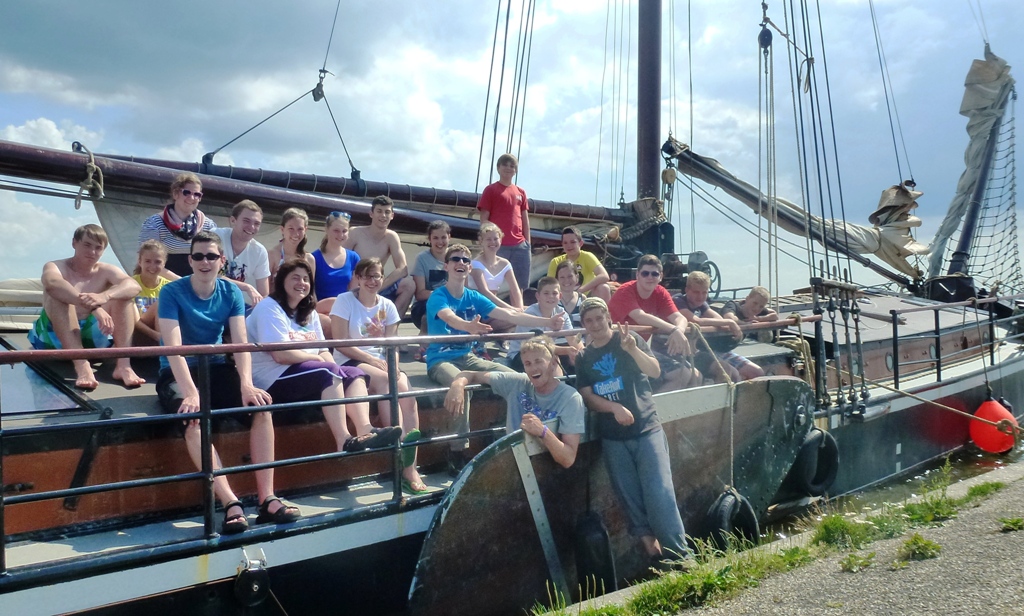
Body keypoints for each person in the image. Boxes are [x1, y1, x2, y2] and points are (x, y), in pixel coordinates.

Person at [156, 231, 293, 534]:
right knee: (193, 419)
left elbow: (240, 343)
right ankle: (231, 502)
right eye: (198, 256)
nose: (205, 262)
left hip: (217, 367)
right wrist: (190, 392)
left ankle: (267, 498)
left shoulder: (230, 293)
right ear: (190, 261)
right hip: (179, 371)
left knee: (262, 409)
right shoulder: (171, 292)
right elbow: (173, 347)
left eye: (211, 256)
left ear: (222, 260)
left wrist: (246, 383)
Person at [247, 258, 400, 503]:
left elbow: (325, 351)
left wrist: (333, 366)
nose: (302, 283)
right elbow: (281, 354)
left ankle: (364, 430)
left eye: (306, 279)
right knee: (329, 371)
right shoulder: (269, 307)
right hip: (272, 377)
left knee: (353, 373)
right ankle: (343, 440)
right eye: (295, 277)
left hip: (304, 371)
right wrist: (320, 360)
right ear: (281, 281)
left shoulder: (309, 312)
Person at [425, 243, 566, 472]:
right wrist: (467, 326)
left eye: (465, 260)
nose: (461, 263)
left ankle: (506, 434)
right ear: (446, 266)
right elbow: (449, 318)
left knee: (519, 379)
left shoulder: (473, 296)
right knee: (463, 388)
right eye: (456, 259)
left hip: (468, 357)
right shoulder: (438, 296)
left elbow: (510, 314)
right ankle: (457, 451)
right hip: (440, 360)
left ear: (470, 267)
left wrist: (547, 322)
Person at [574, 297, 690, 563]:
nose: (595, 324)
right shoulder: (583, 357)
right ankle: (655, 556)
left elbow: (655, 370)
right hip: (613, 438)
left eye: (599, 318)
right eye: (588, 321)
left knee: (659, 492)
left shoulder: (629, 340)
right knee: (630, 498)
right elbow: (587, 396)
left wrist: (633, 351)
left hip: (646, 428)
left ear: (608, 318)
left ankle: (681, 556)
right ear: (584, 324)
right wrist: (613, 408)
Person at [330, 258, 427, 495]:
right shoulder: (345, 301)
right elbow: (340, 343)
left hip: (381, 363)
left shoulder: (388, 306)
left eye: (378, 276)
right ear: (359, 278)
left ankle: (409, 464)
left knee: (406, 390)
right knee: (388, 384)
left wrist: (393, 365)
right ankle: (401, 449)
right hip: (351, 360)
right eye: (369, 276)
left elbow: (390, 345)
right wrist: (374, 361)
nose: (374, 281)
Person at [31, 224, 145, 390]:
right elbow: (52, 283)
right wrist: (94, 307)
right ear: (74, 243)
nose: (92, 252)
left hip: (93, 340)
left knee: (124, 297)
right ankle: (82, 366)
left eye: (98, 248)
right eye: (87, 245)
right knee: (58, 296)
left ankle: (123, 366)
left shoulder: (105, 270)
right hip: (53, 340)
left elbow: (134, 286)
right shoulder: (56, 266)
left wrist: (104, 296)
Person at [444, 337, 584, 468]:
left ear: (553, 363)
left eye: (538, 361)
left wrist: (543, 432)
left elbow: (568, 459)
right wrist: (457, 385)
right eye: (527, 364)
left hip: (550, 471)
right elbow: (471, 374)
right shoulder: (518, 382)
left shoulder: (570, 398)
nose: (533, 368)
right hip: (514, 465)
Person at [607, 254, 700, 393]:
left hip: (639, 348)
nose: (650, 277)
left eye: (654, 274)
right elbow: (640, 317)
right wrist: (673, 330)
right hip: (618, 349)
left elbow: (680, 318)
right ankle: (653, 410)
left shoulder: (660, 293)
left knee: (694, 375)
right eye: (645, 273)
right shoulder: (625, 291)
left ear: (660, 276)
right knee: (682, 374)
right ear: (638, 275)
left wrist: (679, 331)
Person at [673, 271, 764, 381]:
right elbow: (695, 320)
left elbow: (719, 319)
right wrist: (730, 322)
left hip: (701, 349)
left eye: (704, 292)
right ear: (687, 290)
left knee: (739, 375)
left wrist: (727, 322)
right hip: (681, 352)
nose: (700, 296)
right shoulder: (678, 301)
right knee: (725, 370)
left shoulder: (701, 305)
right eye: (696, 292)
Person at [344, 195, 415, 317]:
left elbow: (403, 269)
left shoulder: (391, 237)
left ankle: (391, 325)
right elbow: (342, 262)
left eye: (387, 212)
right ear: (371, 213)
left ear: (392, 216)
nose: (383, 215)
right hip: (355, 285)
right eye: (379, 211)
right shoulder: (355, 233)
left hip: (377, 284)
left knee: (409, 284)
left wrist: (380, 285)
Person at [139, 172, 216, 277]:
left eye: (197, 194)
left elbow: (214, 260)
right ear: (175, 194)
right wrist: (182, 283)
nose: (192, 198)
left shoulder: (209, 226)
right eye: (187, 192)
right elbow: (147, 262)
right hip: (163, 285)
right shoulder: (154, 224)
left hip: (198, 286)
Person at [477, 153, 531, 291]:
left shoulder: (521, 192)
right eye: (505, 165)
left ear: (516, 170)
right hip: (498, 245)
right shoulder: (490, 190)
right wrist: (487, 241)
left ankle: (518, 310)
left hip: (520, 245)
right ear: (498, 168)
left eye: (512, 166)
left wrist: (528, 243)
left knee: (521, 285)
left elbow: (525, 219)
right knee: (493, 283)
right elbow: (484, 219)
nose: (508, 168)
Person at [506, 276, 580, 374]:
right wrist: (567, 350)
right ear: (538, 296)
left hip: (543, 352)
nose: (550, 296)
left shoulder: (561, 312)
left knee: (578, 360)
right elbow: (538, 346)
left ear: (560, 296)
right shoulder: (531, 314)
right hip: (519, 355)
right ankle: (557, 387)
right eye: (546, 293)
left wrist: (580, 352)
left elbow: (573, 339)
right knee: (552, 360)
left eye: (554, 293)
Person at [215, 199, 271, 308]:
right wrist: (247, 287)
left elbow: (264, 293)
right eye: (246, 221)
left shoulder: (259, 251)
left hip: (235, 306)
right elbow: (213, 276)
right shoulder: (216, 237)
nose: (252, 227)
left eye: (257, 223)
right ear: (233, 220)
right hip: (208, 299)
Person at [312, 211, 361, 335]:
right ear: (327, 230)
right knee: (330, 324)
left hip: (344, 309)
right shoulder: (314, 258)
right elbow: (310, 291)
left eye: (344, 231)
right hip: (321, 310)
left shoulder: (354, 257)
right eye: (336, 231)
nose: (341, 235)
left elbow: (355, 291)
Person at [468, 222, 523, 331]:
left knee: (533, 311)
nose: (492, 242)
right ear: (481, 241)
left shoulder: (505, 263)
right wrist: (510, 308)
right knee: (517, 317)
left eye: (495, 239)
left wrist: (520, 308)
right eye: (488, 239)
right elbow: (484, 292)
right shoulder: (475, 263)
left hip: (496, 310)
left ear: (500, 240)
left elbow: (515, 289)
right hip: (479, 310)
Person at [410, 220, 450, 360]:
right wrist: (443, 296)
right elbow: (420, 293)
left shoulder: (456, 258)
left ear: (449, 237)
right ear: (429, 239)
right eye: (436, 238)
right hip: (425, 305)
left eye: (443, 237)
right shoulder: (422, 258)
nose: (440, 242)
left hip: (451, 304)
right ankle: (423, 347)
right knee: (431, 313)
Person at [546, 226, 612, 300]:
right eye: (565, 243)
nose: (569, 246)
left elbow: (604, 276)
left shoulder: (587, 256)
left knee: (604, 288)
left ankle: (603, 311)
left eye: (572, 242)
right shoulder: (555, 262)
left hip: (586, 295)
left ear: (581, 243)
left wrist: (580, 290)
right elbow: (549, 284)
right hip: (564, 297)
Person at [133, 239, 171, 345]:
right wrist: (155, 335)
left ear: (164, 264)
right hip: (136, 333)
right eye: (148, 261)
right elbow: (131, 319)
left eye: (158, 262)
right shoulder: (130, 284)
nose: (153, 266)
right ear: (140, 262)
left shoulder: (169, 287)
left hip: (161, 334)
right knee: (160, 304)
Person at [269, 207, 316, 285]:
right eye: (291, 228)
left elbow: (310, 291)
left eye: (300, 229)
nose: (296, 234)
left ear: (305, 230)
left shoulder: (309, 259)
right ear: (282, 229)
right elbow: (265, 291)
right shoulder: (272, 255)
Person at [555, 260, 584, 327]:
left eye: (570, 276)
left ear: (577, 277)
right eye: (562, 277)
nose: (566, 280)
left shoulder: (582, 298)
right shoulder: (552, 300)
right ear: (557, 280)